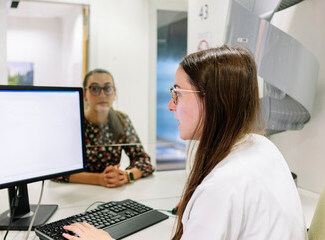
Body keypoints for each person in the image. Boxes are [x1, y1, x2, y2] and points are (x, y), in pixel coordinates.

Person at [61, 46, 307, 239]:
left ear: (212, 100)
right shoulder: (262, 146)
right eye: (95, 89)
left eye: (177, 93)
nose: (170, 105)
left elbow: (144, 163)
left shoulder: (221, 187)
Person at [53, 69, 154, 188]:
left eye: (107, 88)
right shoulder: (72, 123)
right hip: (75, 193)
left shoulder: (121, 120)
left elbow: (144, 161)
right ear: (85, 94)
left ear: (114, 93)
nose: (102, 95)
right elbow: (55, 171)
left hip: (112, 193)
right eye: (95, 89)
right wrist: (98, 179)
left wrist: (125, 176)